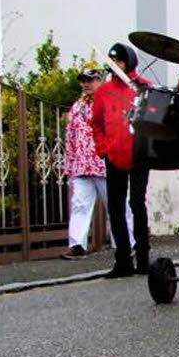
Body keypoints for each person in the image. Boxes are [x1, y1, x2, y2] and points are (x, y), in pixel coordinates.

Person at [90, 43, 152, 278]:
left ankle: (143, 257)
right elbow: (96, 123)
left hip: (139, 155)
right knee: (115, 208)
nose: (117, 66)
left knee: (137, 203)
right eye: (114, 62)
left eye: (121, 61)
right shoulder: (103, 92)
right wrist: (103, 148)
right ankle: (123, 260)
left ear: (129, 62)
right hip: (114, 156)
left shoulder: (144, 87)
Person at [61, 68, 132, 259]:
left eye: (90, 80)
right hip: (82, 165)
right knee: (79, 205)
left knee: (116, 205)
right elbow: (70, 137)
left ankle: (127, 243)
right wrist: (69, 164)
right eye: (83, 81)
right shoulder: (76, 108)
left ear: (99, 81)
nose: (86, 84)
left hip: (104, 164)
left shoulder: (107, 102)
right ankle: (77, 244)